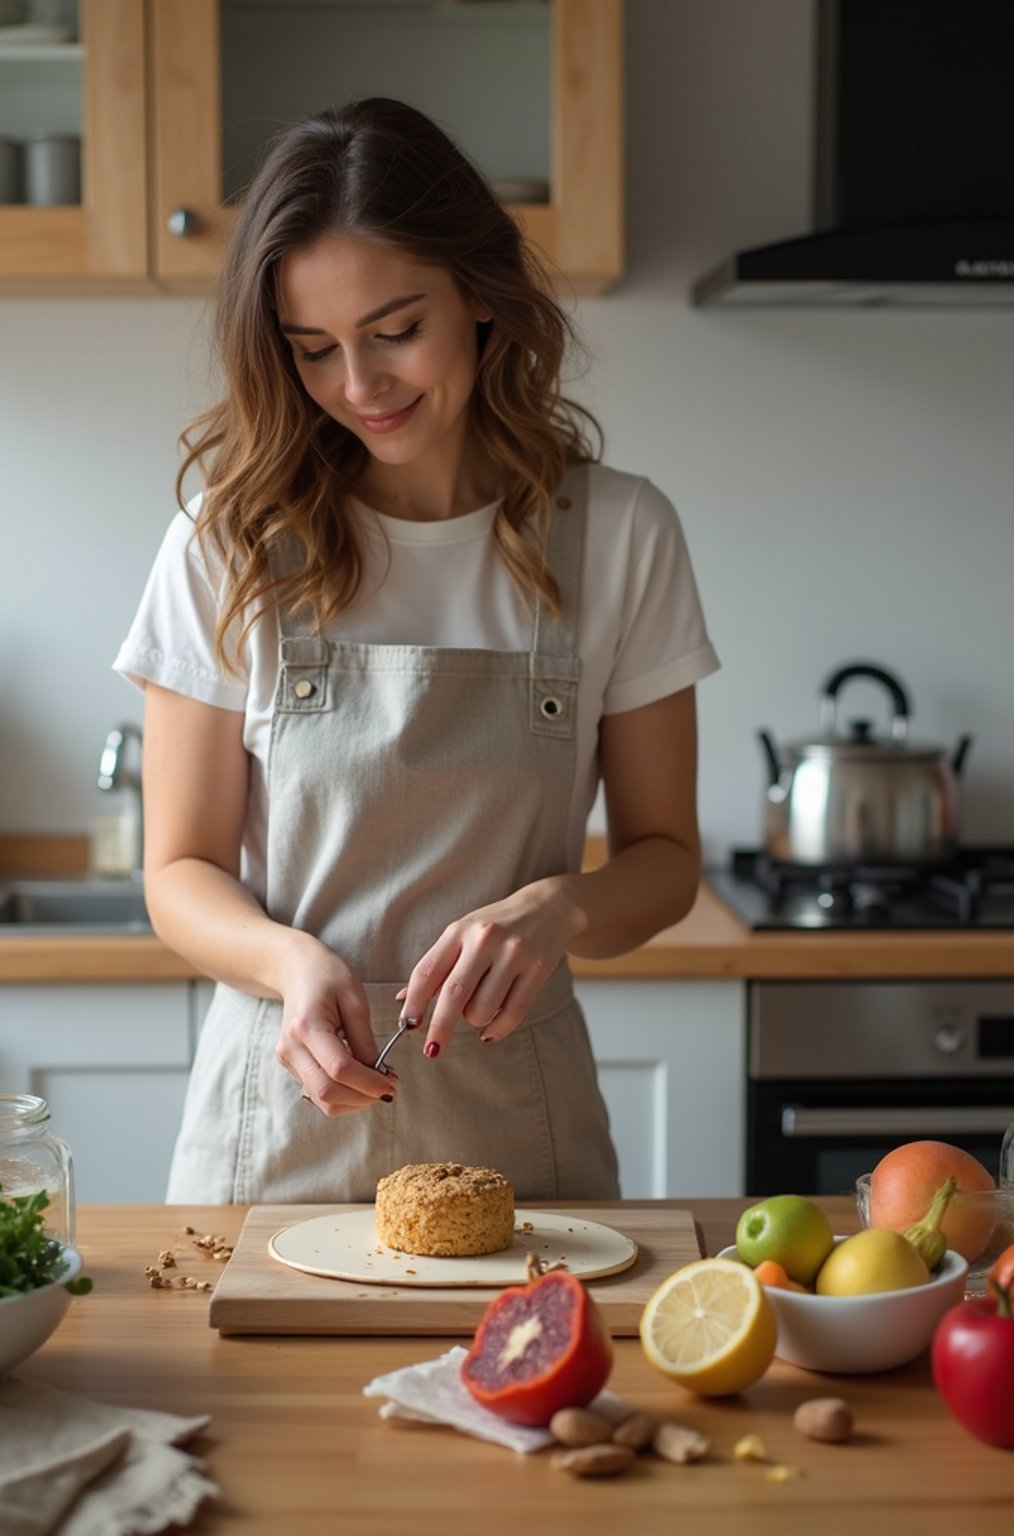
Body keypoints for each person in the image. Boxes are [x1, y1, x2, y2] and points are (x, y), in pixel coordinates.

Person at [114, 98, 720, 1205]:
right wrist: (289, 964)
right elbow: (177, 873)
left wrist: (560, 908)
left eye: (395, 330)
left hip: (521, 1140)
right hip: (279, 1122)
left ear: (481, 296)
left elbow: (665, 860)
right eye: (312, 351)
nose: (359, 386)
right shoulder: (228, 541)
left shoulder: (622, 535)